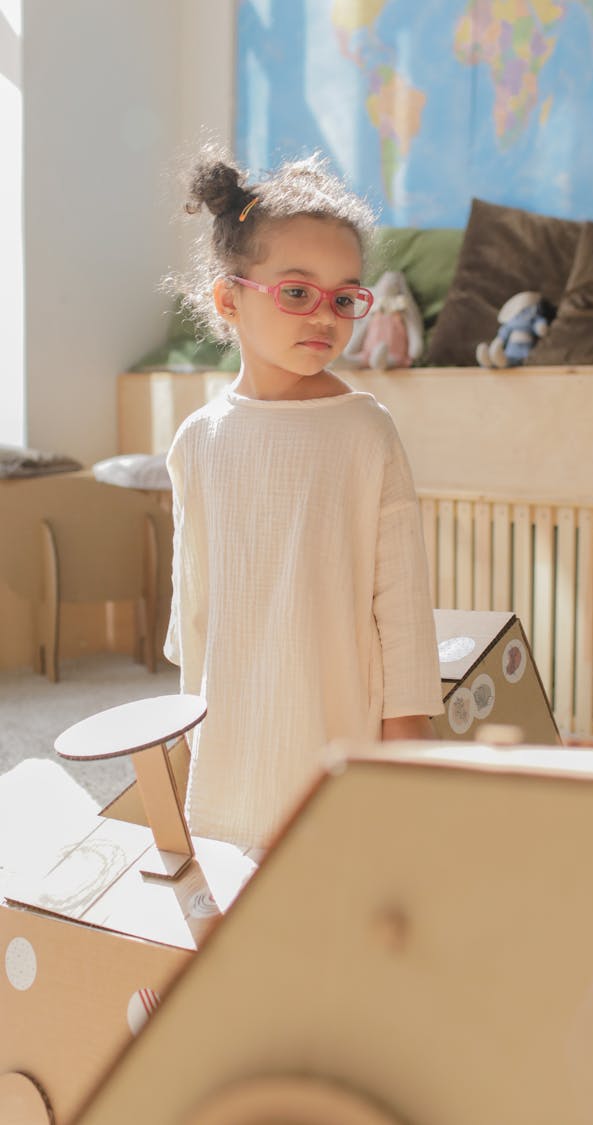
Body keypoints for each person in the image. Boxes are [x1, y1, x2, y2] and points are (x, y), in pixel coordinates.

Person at [164, 148, 444, 850]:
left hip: (339, 738)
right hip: (232, 745)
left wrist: (409, 749)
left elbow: (404, 611)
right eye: (296, 292)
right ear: (229, 299)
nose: (325, 315)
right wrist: (186, 743)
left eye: (344, 297)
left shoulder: (364, 431)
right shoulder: (197, 441)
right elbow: (193, 614)